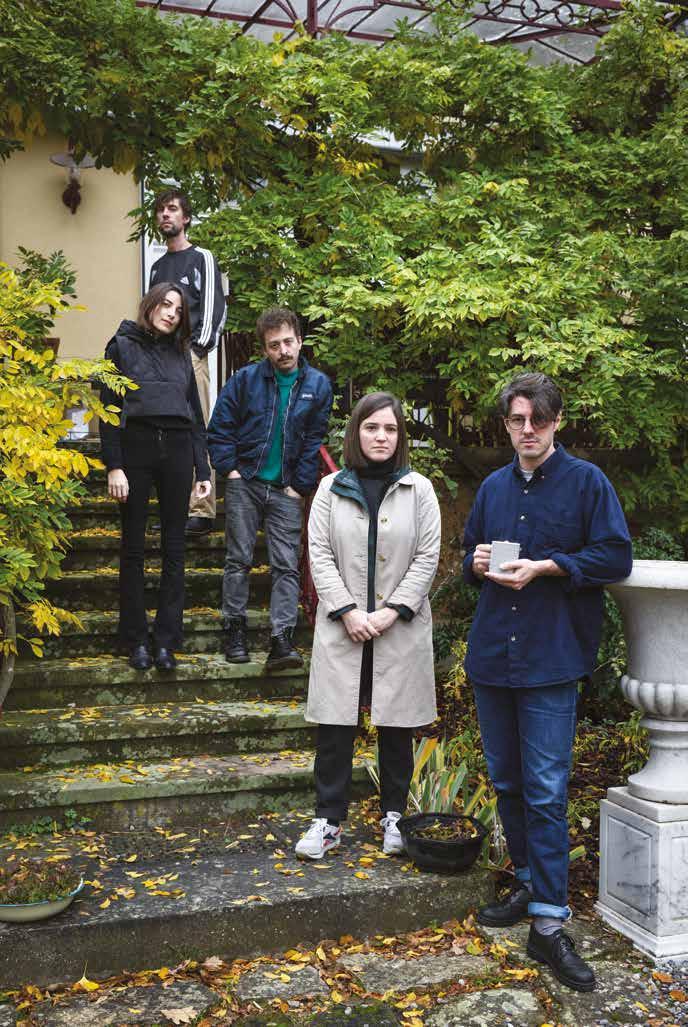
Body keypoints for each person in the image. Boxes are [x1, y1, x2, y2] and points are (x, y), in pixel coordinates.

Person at [462, 371, 632, 993]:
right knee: (508, 782)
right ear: (506, 424)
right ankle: (530, 886)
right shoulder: (492, 487)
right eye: (517, 420)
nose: (527, 430)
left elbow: (615, 556)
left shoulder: (588, 483)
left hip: (551, 659)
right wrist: (476, 561)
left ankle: (551, 923)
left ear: (557, 422)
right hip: (493, 657)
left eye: (538, 419)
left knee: (545, 790)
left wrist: (550, 566)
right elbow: (467, 556)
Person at [294, 392, 441, 860]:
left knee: (396, 727)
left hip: (398, 626)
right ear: (356, 432)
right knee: (335, 728)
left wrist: (391, 611)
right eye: (372, 427)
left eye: (391, 429)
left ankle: (394, 816)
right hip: (345, 626)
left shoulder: (419, 489)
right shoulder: (330, 488)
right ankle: (328, 820)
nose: (381, 437)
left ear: (401, 437)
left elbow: (427, 557)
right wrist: (348, 611)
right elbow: (318, 554)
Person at [207, 306, 332, 671]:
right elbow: (220, 427)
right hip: (245, 483)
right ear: (265, 349)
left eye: (288, 342)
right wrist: (229, 471)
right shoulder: (245, 380)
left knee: (286, 566)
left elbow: (313, 440)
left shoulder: (318, 386)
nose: (283, 351)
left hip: (286, 489)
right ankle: (235, 632)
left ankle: (282, 640)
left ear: (300, 341)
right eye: (274, 345)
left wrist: (299, 486)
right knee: (238, 560)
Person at [100, 283, 212, 672]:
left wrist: (203, 469)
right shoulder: (120, 346)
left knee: (174, 548)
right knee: (133, 548)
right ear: (150, 304)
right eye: (165, 305)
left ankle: (166, 641)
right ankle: (136, 640)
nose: (171, 314)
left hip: (177, 450)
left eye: (178, 310)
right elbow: (108, 411)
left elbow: (195, 416)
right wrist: (114, 465)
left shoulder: (182, 353)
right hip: (136, 448)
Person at [149, 188, 226, 536]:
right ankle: (174, 507)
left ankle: (202, 511)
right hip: (160, 363)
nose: (165, 214)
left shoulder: (202, 258)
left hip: (191, 356)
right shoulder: (157, 267)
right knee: (166, 433)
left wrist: (197, 349)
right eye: (161, 210)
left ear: (186, 217)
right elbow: (151, 313)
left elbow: (213, 307)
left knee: (197, 429)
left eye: (172, 209)